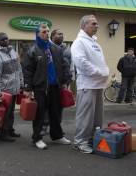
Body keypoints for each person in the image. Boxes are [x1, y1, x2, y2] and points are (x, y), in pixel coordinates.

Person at [22, 23, 71, 150]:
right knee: (39, 114)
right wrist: (27, 88)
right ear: (37, 34)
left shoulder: (56, 49)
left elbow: (63, 66)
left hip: (55, 86)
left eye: (48, 31)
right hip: (40, 88)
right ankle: (37, 138)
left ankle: (57, 136)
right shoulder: (32, 50)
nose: (46, 33)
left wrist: (65, 82)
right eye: (43, 31)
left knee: (55, 112)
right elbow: (27, 71)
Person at [71, 15, 109, 154]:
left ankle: (93, 138)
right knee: (85, 115)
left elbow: (99, 61)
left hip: (99, 84)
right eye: (93, 23)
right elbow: (81, 62)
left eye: (97, 24)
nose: (97, 26)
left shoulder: (95, 43)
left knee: (97, 116)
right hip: (87, 84)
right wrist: (99, 72)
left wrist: (104, 71)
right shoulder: (79, 42)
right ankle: (80, 142)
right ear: (84, 25)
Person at [0, 32, 23, 142]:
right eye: (2, 39)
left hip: (14, 89)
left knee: (11, 112)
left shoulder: (13, 51)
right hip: (5, 91)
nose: (5, 41)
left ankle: (10, 130)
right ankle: (2, 134)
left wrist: (21, 84)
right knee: (3, 113)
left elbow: (19, 69)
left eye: (6, 39)